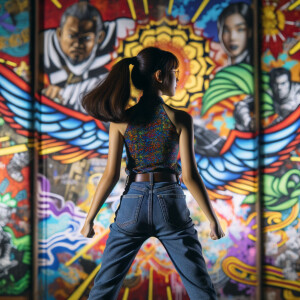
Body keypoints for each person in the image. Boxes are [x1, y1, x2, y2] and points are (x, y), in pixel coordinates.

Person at [80, 47, 225, 300]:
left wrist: (89, 219)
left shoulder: (120, 120)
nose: (177, 79)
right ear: (159, 76)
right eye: (174, 73)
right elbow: (190, 176)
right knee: (201, 290)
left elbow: (110, 175)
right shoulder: (180, 119)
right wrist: (212, 218)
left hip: (132, 203)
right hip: (170, 202)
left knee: (103, 289)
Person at [42, 1, 135, 112]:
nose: (77, 44)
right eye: (72, 36)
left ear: (99, 37)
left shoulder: (104, 78)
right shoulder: (46, 46)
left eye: (86, 38)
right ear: (59, 34)